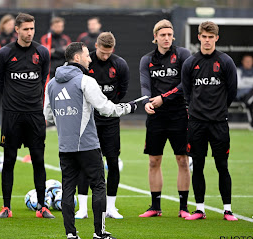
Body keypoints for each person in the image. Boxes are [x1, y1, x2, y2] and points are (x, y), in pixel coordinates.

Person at [44, 42, 136, 239]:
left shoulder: (51, 84)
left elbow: (48, 115)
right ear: (77, 58)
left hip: (65, 146)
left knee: (68, 187)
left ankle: (71, 234)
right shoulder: (86, 81)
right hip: (87, 144)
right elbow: (106, 109)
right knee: (98, 186)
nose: (90, 58)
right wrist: (130, 107)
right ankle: (99, 234)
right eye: (87, 55)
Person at [0, 13, 54, 219]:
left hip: (35, 115)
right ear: (17, 30)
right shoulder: (4, 53)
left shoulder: (42, 52)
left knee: (38, 159)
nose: (30, 33)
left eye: (32, 29)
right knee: (9, 160)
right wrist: (14, 102)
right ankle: (6, 207)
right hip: (12, 116)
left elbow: (43, 81)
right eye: (26, 29)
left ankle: (42, 207)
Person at [181, 21, 238, 221]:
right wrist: (196, 110)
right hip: (196, 123)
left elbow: (232, 91)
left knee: (222, 165)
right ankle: (199, 209)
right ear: (199, 37)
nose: (207, 40)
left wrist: (218, 109)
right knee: (198, 164)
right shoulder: (190, 63)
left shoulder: (225, 62)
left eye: (210, 37)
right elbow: (186, 92)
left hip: (219, 123)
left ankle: (228, 209)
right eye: (204, 37)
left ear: (216, 38)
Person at [139, 19, 191, 218]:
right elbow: (145, 85)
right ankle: (155, 207)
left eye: (169, 34)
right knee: (154, 161)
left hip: (179, 114)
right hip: (156, 117)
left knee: (182, 160)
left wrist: (164, 98)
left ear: (173, 36)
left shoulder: (183, 55)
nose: (167, 38)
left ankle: (184, 207)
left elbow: (186, 84)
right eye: (163, 35)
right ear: (155, 37)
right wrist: (146, 102)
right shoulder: (147, 59)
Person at [75, 32, 129, 220]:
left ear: (112, 49)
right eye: (102, 52)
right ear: (96, 45)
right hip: (88, 121)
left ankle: (111, 207)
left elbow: (121, 91)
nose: (105, 56)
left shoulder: (120, 64)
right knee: (85, 163)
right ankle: (82, 208)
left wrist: (108, 108)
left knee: (112, 162)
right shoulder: (85, 63)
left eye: (108, 53)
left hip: (111, 121)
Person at [0, 14, 17, 128]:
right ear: (3, 24)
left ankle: (11, 122)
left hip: (12, 72)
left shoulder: (16, 37)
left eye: (12, 24)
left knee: (12, 98)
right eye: (9, 24)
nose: (11, 26)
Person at [236, 54, 253, 127]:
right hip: (242, 95)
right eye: (247, 61)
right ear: (242, 62)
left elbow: (243, 82)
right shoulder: (238, 70)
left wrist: (245, 81)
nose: (248, 63)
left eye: (250, 61)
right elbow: (238, 84)